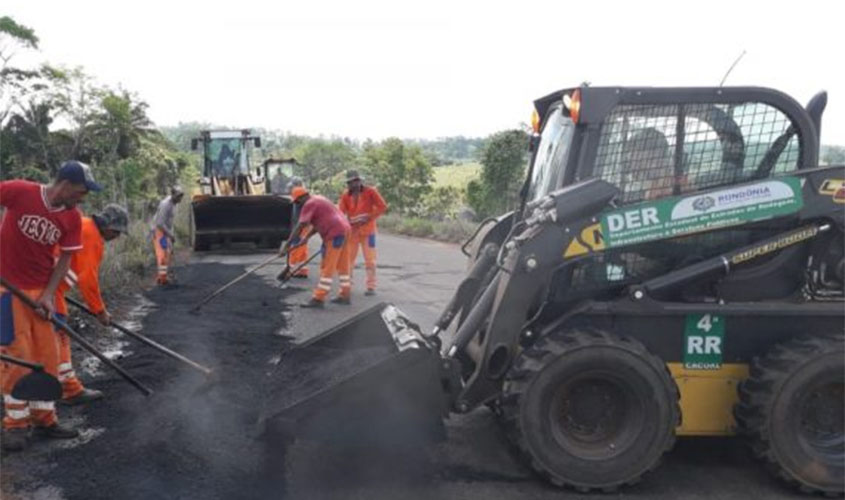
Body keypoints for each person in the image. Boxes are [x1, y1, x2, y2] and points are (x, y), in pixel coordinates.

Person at [0, 160, 101, 451]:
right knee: (16, 357)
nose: (83, 198)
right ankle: (15, 425)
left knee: (47, 357)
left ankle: (45, 419)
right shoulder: (20, 192)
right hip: (8, 290)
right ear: (65, 185)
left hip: (41, 293)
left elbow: (67, 258)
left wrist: (48, 294)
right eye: (81, 192)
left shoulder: (71, 218)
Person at [54, 204, 129, 405]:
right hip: (48, 290)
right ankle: (69, 389)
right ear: (109, 227)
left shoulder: (85, 225)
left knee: (51, 336)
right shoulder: (92, 235)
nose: (117, 237)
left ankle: (56, 386)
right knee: (60, 335)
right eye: (117, 232)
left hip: (48, 286)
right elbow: (88, 278)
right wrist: (100, 311)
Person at [280, 187, 351, 308]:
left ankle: (319, 298)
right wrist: (307, 237)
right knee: (343, 265)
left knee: (327, 265)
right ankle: (345, 294)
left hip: (334, 233)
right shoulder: (319, 199)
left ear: (303, 197)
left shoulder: (309, 203)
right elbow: (319, 223)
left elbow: (300, 225)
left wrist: (287, 245)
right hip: (345, 230)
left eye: (297, 201)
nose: (297, 204)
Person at [337, 170, 387, 295]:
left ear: (360, 181)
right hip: (352, 232)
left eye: (356, 181)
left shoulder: (371, 192)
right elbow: (340, 213)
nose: (354, 184)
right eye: (351, 182)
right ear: (348, 183)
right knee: (348, 260)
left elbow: (382, 206)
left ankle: (371, 286)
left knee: (370, 260)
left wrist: (369, 217)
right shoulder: (345, 195)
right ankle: (347, 286)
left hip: (368, 231)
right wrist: (344, 223)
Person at [151, 186, 184, 286]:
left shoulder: (174, 204)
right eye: (178, 196)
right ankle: (162, 279)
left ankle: (163, 277)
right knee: (162, 256)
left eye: (181, 196)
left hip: (165, 231)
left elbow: (169, 222)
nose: (180, 199)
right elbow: (160, 223)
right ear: (173, 195)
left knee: (167, 254)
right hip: (159, 231)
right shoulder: (166, 205)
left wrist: (171, 235)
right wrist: (170, 235)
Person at [285, 177, 310, 279]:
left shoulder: (301, 198)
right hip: (299, 226)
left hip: (301, 227)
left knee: (296, 249)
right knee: (300, 250)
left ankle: (293, 269)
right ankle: (301, 270)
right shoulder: (298, 197)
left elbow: (302, 218)